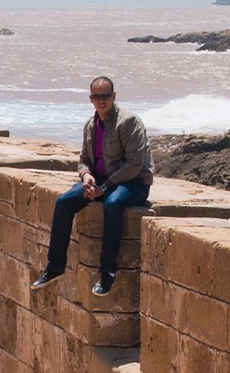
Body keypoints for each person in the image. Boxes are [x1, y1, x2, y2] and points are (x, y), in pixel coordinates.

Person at [32, 75, 155, 298]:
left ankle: (107, 273)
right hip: (101, 181)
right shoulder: (91, 125)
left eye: (106, 95)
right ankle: (55, 267)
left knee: (113, 203)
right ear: (91, 99)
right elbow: (83, 160)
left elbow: (134, 165)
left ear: (114, 96)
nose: (102, 100)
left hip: (133, 183)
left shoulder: (129, 122)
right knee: (63, 203)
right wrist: (86, 176)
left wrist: (105, 187)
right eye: (97, 96)